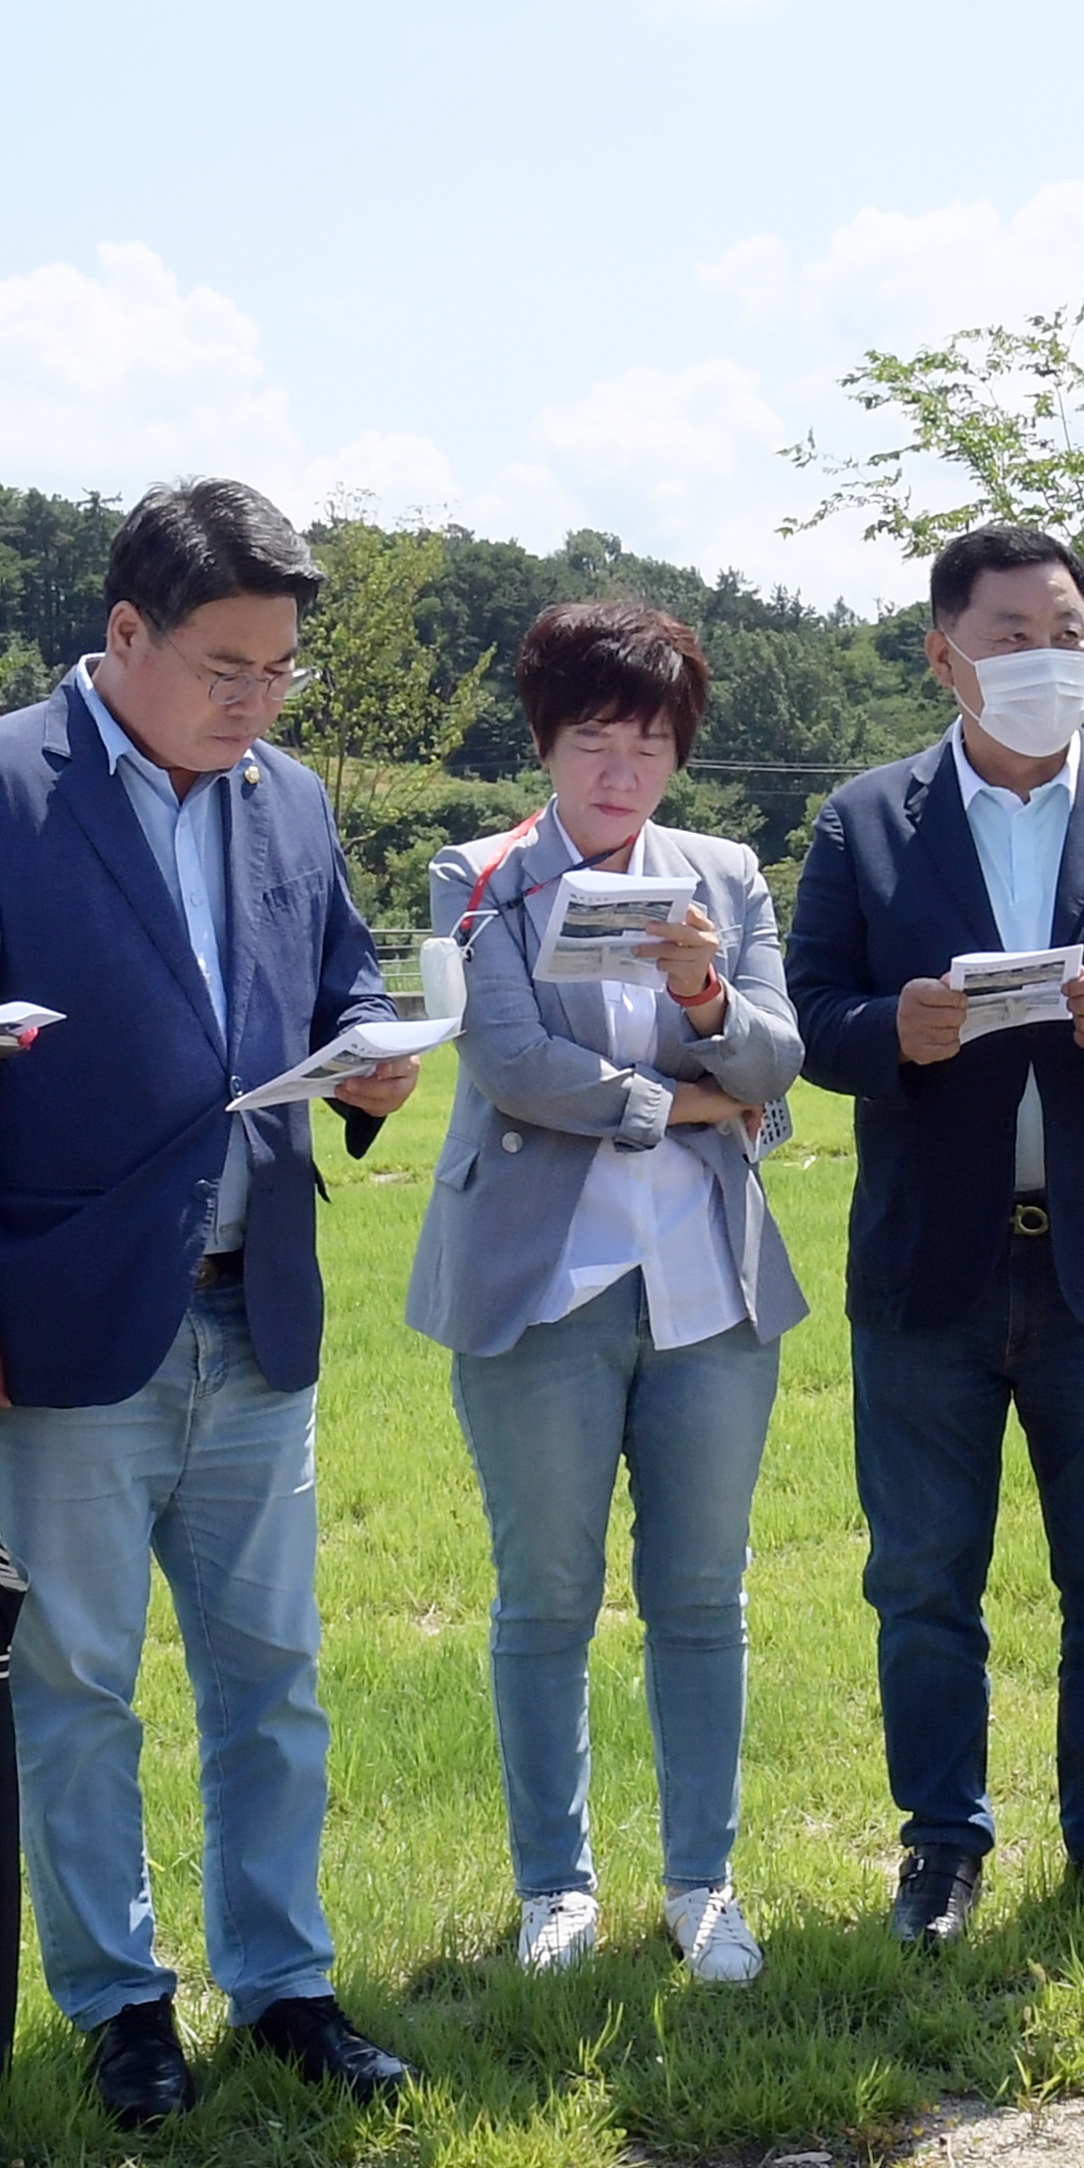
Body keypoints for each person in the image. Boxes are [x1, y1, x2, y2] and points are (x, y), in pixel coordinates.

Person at [0, 478, 422, 2129]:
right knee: (78, 1687)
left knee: (273, 1676)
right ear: (125, 633)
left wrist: (370, 1051)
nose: (255, 701)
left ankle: (285, 1981)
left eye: (279, 671)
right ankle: (117, 2005)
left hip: (260, 1306)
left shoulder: (290, 797)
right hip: (65, 1318)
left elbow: (336, 972)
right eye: (225, 666)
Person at [783, 521, 1084, 1957]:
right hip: (926, 1263)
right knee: (922, 1582)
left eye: (1068, 634)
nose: (1046, 658)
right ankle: (941, 1846)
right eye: (1012, 635)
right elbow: (807, 1011)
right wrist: (893, 1029)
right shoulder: (865, 820)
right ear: (946, 656)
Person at [408, 602, 806, 1983]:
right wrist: (681, 1103)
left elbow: (775, 1058)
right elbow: (512, 1061)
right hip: (542, 1283)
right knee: (545, 1596)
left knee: (700, 1593)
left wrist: (706, 1002)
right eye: (592, 740)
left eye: (648, 743)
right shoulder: (482, 877)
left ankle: (703, 1883)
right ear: (545, 744)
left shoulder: (724, 875)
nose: (620, 771)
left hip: (709, 1286)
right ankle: (555, 1890)